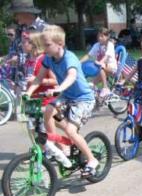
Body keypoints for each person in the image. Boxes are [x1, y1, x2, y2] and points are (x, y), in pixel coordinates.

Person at [25, 25, 98, 177]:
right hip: (66, 96)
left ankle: (92, 160)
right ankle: (59, 146)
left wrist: (59, 89)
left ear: (60, 44)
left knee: (71, 131)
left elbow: (71, 76)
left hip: (83, 99)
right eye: (43, 44)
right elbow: (39, 78)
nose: (44, 48)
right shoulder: (48, 58)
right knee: (47, 111)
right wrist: (29, 92)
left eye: (48, 45)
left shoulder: (69, 58)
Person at [80, 27, 117, 98]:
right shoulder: (96, 45)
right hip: (100, 69)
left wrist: (100, 62)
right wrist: (78, 62)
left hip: (111, 68)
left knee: (101, 66)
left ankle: (105, 88)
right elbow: (88, 55)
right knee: (91, 84)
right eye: (98, 36)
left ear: (107, 36)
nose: (99, 38)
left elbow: (106, 56)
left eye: (102, 36)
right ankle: (97, 100)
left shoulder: (110, 45)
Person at [23, 31, 57, 106]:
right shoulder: (28, 61)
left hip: (47, 101)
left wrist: (37, 80)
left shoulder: (45, 59)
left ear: (33, 44)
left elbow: (56, 81)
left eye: (24, 42)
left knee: (50, 117)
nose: (21, 45)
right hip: (33, 101)